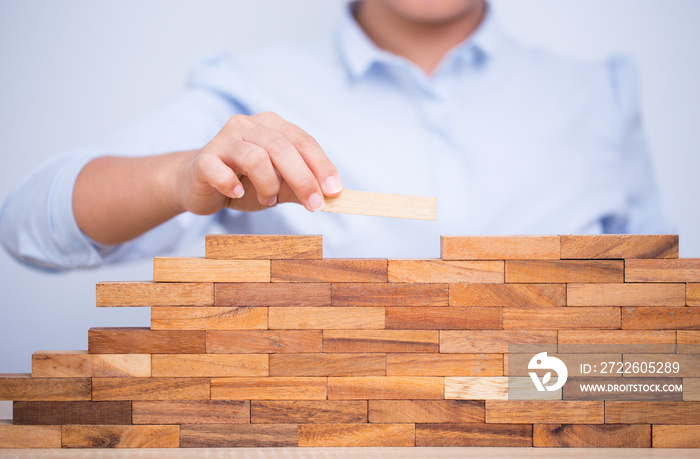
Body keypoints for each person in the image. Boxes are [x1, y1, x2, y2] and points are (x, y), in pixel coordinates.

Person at [0, 0, 669, 270]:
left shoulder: (602, 93)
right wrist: (179, 177)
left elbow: (655, 350)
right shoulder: (248, 89)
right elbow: (32, 221)